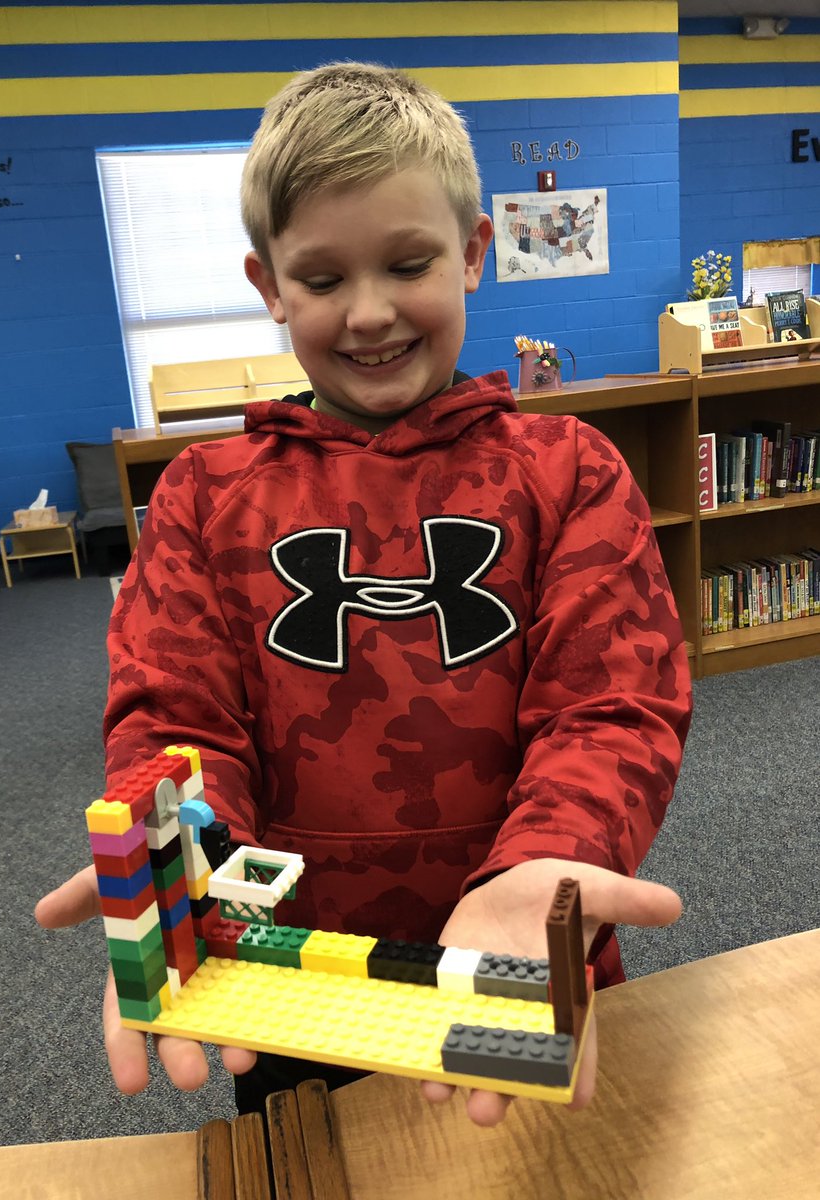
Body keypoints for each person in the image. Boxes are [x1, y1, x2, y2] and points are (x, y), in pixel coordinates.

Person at [37, 62, 692, 1128]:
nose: (371, 312)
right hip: (289, 985)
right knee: (328, 1168)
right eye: (323, 278)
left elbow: (610, 709)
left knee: (541, 1165)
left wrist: (549, 862)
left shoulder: (570, 472)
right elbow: (176, 718)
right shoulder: (204, 496)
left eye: (409, 263)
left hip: (519, 961)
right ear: (270, 288)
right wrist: (180, 862)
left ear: (473, 253)